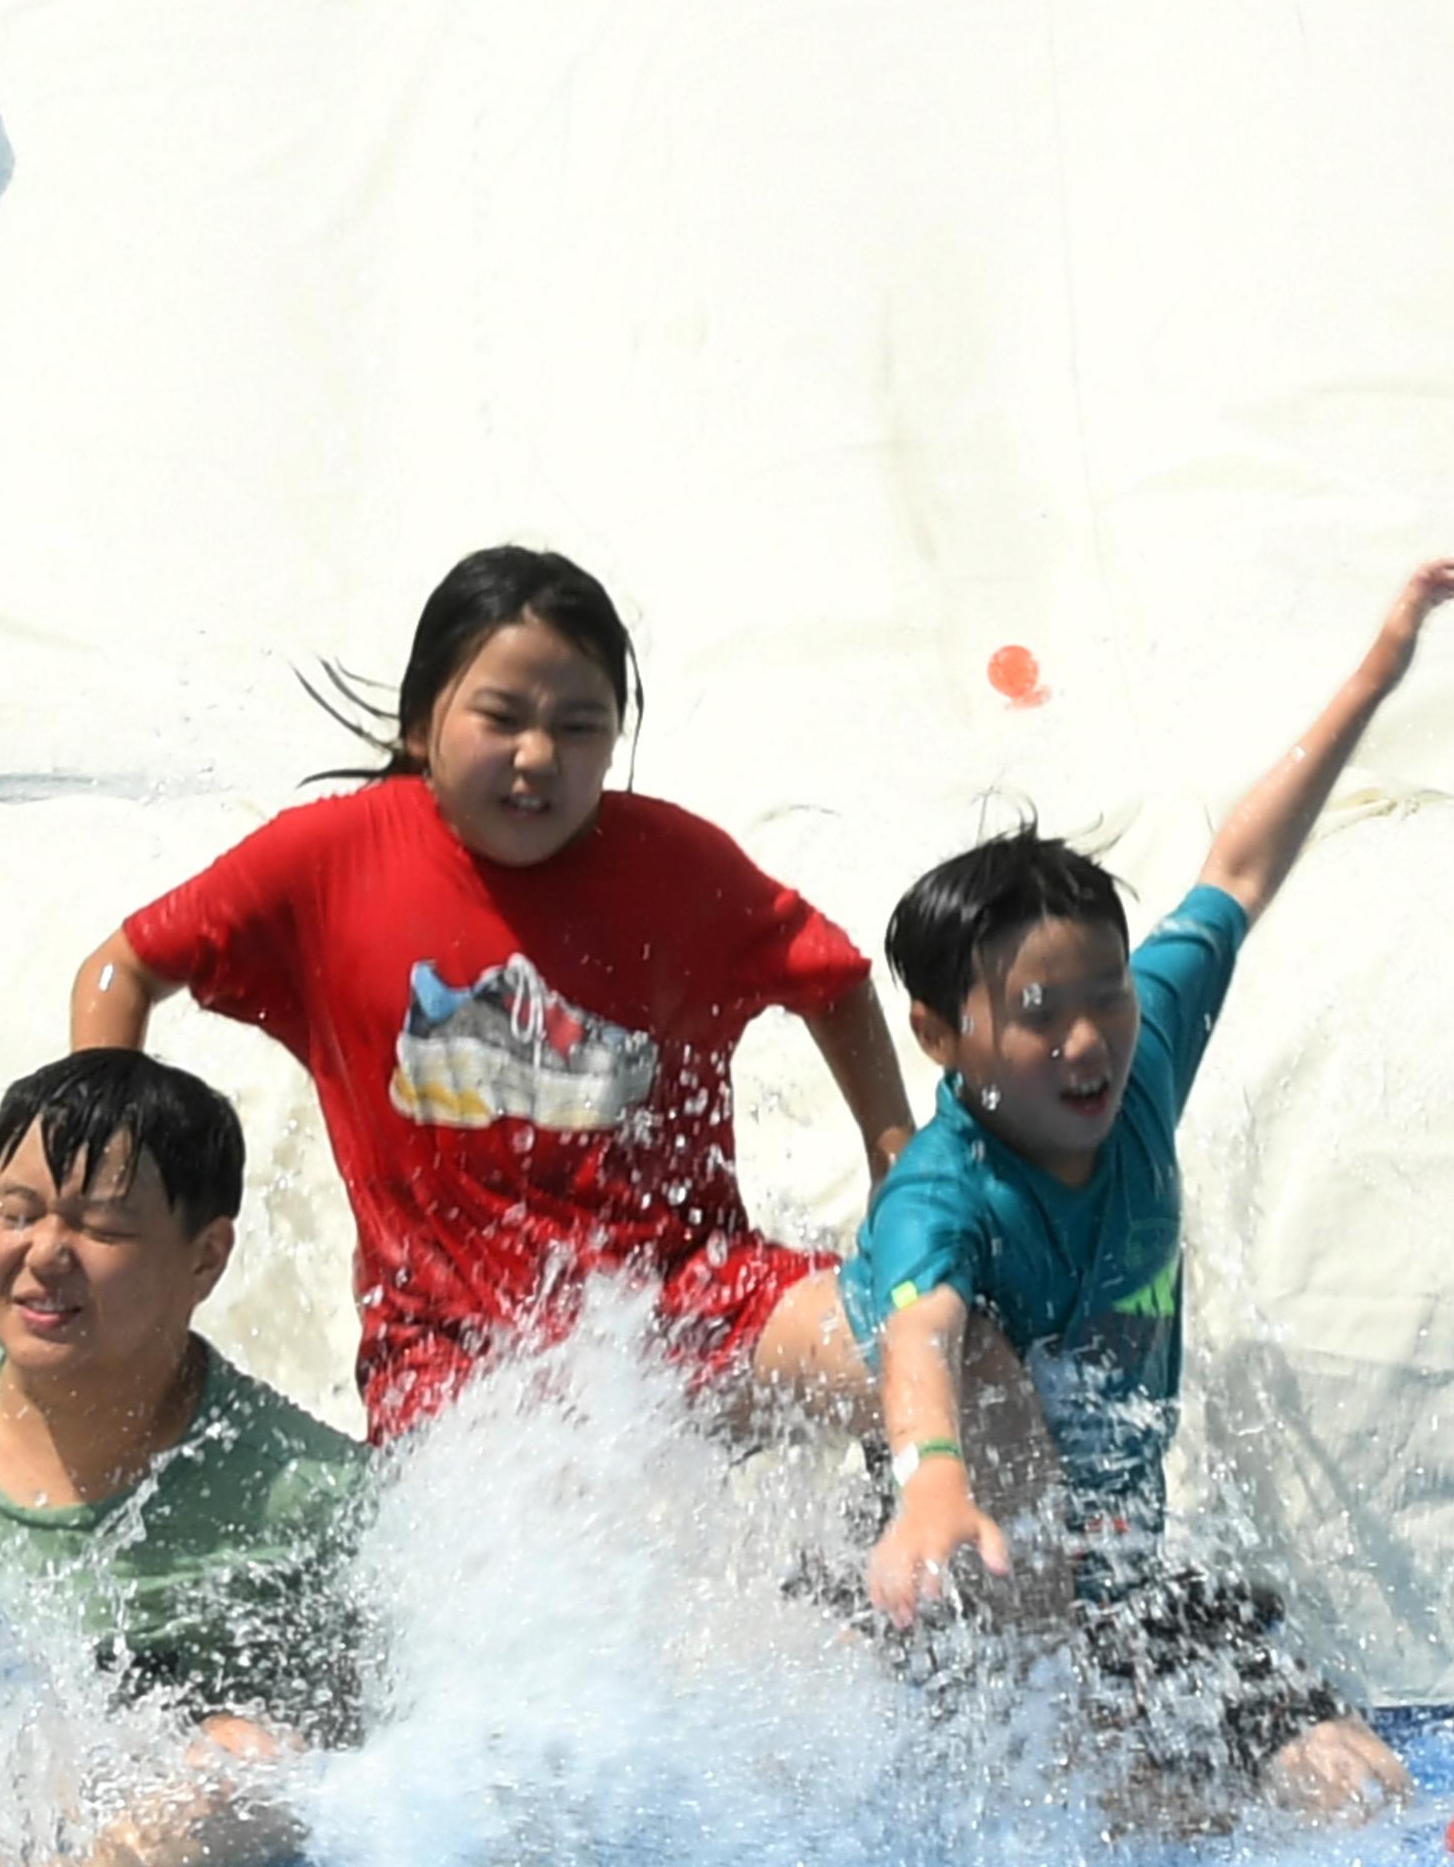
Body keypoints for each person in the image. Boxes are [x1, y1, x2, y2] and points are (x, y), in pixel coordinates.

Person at [849, 562, 1454, 1825]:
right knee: (1106, 1811)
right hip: (966, 1587)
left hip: (1128, 1590)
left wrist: (1377, 667)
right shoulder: (941, 1195)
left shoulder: (1135, 1080)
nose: (1087, 1040)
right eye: (1038, 1014)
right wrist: (930, 1478)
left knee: (1351, 1789)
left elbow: (1239, 870)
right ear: (939, 1038)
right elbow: (917, 1330)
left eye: (1106, 995)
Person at [71, 546, 915, 1440]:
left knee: (935, 1361)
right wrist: (97, 1187)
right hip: (452, 1355)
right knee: (551, 1522)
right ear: (418, 724)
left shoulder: (674, 868)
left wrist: (893, 1165)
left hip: (688, 1301)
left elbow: (834, 981)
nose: (540, 756)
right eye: (502, 717)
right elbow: (122, 969)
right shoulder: (328, 865)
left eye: (581, 725)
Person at [0, 1050, 369, 1867]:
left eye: (102, 1229)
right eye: (15, 1213)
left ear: (205, 1259)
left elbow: (338, 1761)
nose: (44, 1253)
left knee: (250, 1760)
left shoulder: (305, 1493)